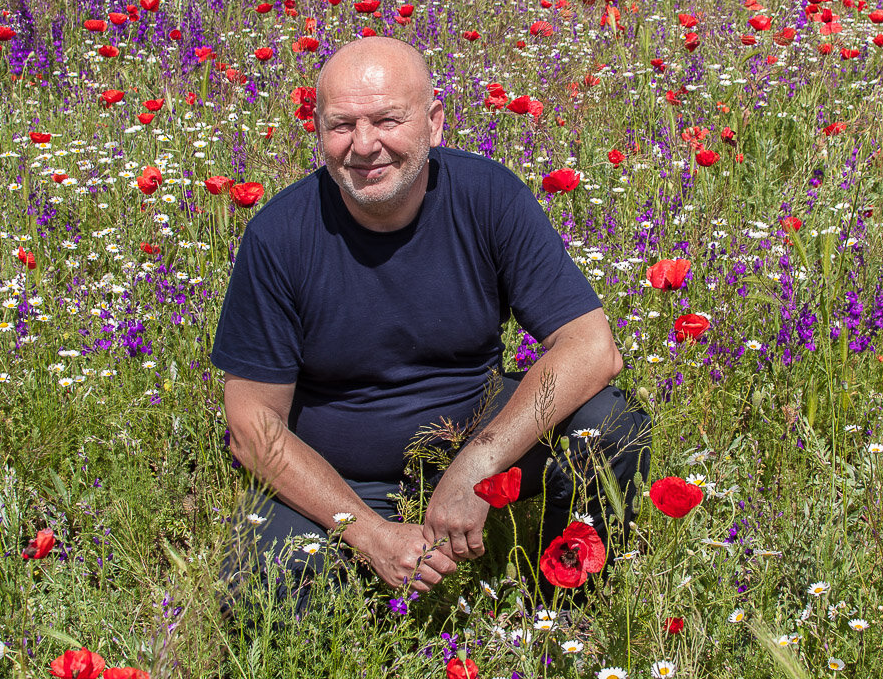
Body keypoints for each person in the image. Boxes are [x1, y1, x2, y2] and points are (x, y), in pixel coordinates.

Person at [212, 37, 649, 599]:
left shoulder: (487, 198)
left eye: (388, 119)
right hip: (345, 479)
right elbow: (252, 426)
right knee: (263, 591)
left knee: (609, 425)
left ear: (434, 122)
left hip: (474, 438)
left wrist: (478, 466)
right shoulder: (279, 237)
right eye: (341, 125)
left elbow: (592, 347)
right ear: (317, 129)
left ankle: (565, 611)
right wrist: (364, 531)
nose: (364, 145)